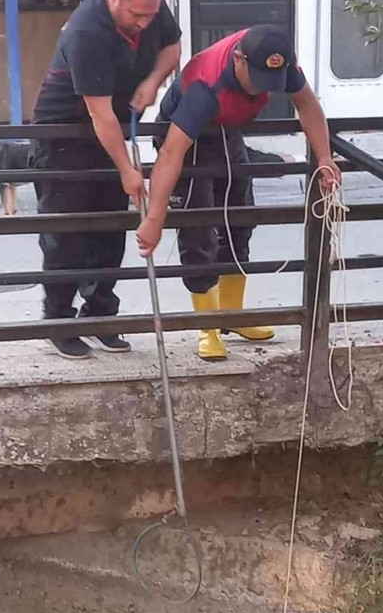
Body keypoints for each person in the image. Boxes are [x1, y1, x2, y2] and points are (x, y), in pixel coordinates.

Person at [137, 25, 340, 361]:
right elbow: (172, 152)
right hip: (188, 138)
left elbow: (307, 106)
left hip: (228, 132)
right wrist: (155, 217)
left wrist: (324, 157)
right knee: (199, 232)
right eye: (256, 79)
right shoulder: (205, 84)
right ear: (238, 60)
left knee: (241, 218)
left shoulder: (280, 61)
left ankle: (234, 314)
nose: (262, 89)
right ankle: (209, 327)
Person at [30, 0, 181, 359]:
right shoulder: (87, 32)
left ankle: (100, 315)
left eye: (150, 14)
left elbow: (172, 47)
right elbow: (100, 114)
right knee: (68, 232)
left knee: (111, 228)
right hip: (66, 133)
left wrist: (152, 82)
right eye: (136, 15)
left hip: (113, 126)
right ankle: (59, 320)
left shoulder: (148, 4)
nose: (145, 23)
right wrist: (128, 170)